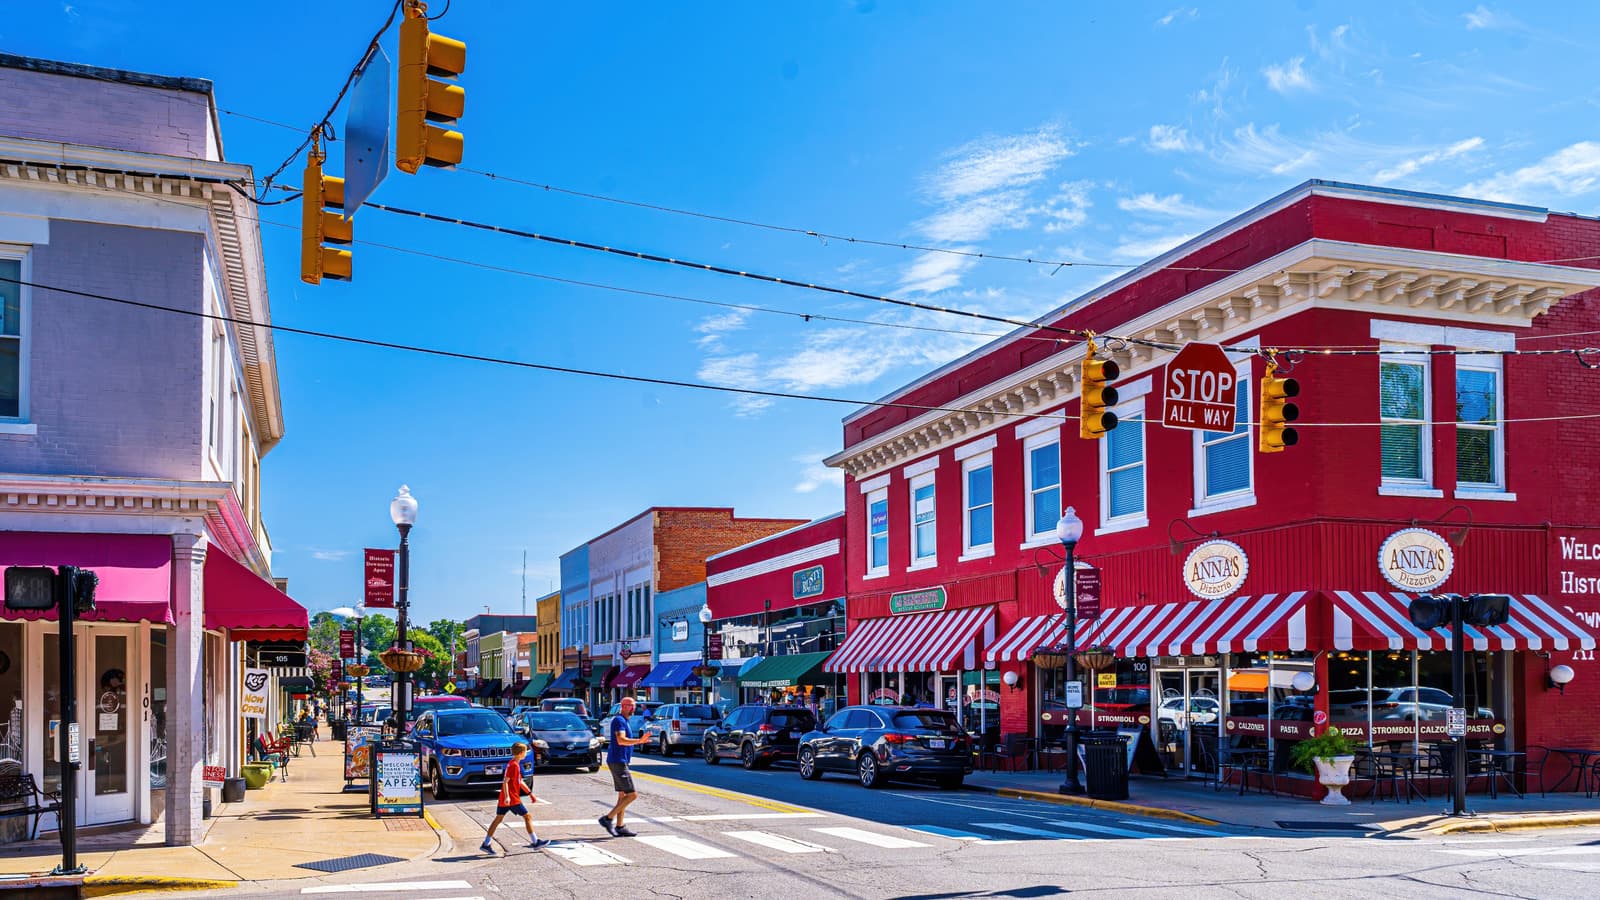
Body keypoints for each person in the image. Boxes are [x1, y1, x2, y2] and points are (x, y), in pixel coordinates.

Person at [481, 742, 549, 853]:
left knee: (498, 819)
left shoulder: (514, 764)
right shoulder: (513, 765)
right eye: (525, 752)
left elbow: (520, 781)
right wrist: (507, 796)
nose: (526, 754)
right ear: (521, 753)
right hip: (511, 799)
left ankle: (486, 843)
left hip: (506, 798)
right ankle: (535, 842)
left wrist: (530, 793)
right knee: (527, 816)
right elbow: (505, 782)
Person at [598, 696, 649, 838]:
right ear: (623, 706)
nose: (632, 708)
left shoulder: (624, 721)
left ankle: (620, 826)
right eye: (629, 705)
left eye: (634, 705)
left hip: (620, 760)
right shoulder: (619, 720)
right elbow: (621, 740)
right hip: (618, 761)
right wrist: (639, 741)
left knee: (623, 796)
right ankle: (607, 819)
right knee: (632, 795)